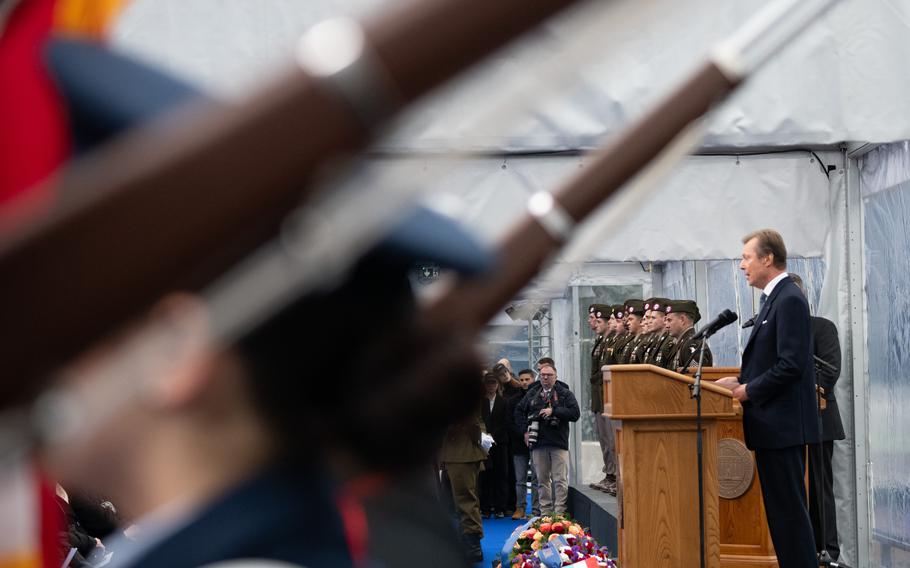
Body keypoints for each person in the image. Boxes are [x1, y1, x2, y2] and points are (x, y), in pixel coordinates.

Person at [716, 229, 819, 568]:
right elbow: (773, 359)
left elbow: (791, 364)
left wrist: (748, 390)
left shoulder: (788, 298)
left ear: (768, 258)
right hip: (772, 426)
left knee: (790, 516)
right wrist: (740, 378)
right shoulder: (772, 299)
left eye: (747, 258)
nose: (742, 265)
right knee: (782, 515)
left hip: (783, 426)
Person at [790, 274, 846, 561]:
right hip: (786, 425)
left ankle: (828, 552)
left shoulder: (821, 328)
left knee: (819, 489)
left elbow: (830, 370)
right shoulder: (776, 331)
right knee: (793, 488)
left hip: (818, 419)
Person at [514, 364, 580, 516]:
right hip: (538, 443)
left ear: (555, 376)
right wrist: (524, 431)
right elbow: (518, 411)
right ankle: (545, 513)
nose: (545, 377)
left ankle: (559, 512)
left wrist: (554, 411)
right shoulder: (533, 393)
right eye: (542, 375)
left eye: (549, 375)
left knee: (560, 479)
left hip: (558, 442)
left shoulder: (564, 394)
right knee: (542, 480)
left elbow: (575, 413)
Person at [440, 404, 488, 562]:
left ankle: (472, 545)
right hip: (457, 453)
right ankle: (466, 540)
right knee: (461, 500)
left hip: (461, 452)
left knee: (465, 500)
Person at [589, 304, 617, 495]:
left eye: (598, 320)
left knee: (613, 440)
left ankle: (615, 475)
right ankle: (610, 474)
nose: (593, 324)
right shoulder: (602, 341)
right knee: (605, 439)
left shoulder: (614, 342)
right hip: (600, 397)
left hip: (611, 397)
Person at [507, 369, 539, 519]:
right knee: (519, 480)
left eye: (527, 379)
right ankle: (519, 507)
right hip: (519, 445)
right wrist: (523, 434)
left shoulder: (541, 397)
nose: (524, 382)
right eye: (522, 380)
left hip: (538, 444)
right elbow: (510, 422)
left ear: (533, 379)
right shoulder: (513, 400)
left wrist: (532, 435)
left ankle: (536, 509)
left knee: (537, 478)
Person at [479, 372, 510, 518]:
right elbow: (478, 420)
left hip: (500, 443)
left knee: (501, 475)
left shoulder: (504, 402)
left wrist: (493, 435)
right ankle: (485, 507)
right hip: (483, 443)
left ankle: (500, 507)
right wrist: (485, 435)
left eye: (494, 383)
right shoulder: (480, 401)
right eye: (488, 383)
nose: (491, 386)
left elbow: (506, 422)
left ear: (498, 385)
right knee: (485, 475)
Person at [664, 299, 714, 370]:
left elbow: (694, 376)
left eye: (669, 320)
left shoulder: (692, 344)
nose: (666, 325)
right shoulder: (682, 343)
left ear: (682, 320)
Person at [642, 298, 676, 366]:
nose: (649, 321)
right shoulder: (656, 340)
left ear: (664, 320)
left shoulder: (669, 341)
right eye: (649, 318)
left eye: (653, 318)